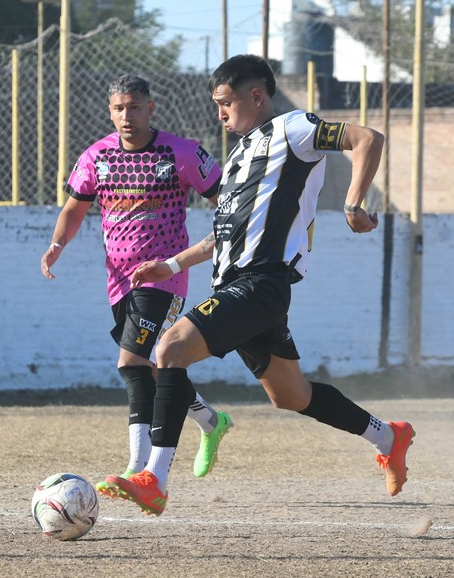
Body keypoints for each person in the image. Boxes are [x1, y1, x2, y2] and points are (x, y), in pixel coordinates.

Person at [108, 54, 415, 516]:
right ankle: (389, 436)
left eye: (225, 103)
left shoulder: (292, 128)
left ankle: (155, 478)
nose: (220, 114)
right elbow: (226, 234)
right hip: (239, 287)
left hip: (261, 284)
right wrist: (170, 265)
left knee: (168, 350)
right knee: (290, 396)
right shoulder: (237, 160)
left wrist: (353, 204)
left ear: (256, 96)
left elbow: (367, 138)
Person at [40, 73, 233, 501]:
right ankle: (208, 421)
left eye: (135, 107)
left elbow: (228, 201)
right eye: (119, 108)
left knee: (130, 363)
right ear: (110, 112)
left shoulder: (182, 153)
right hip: (118, 282)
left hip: (164, 279)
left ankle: (138, 466)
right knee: (153, 367)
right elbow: (74, 209)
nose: (127, 116)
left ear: (151, 108)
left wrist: (204, 250)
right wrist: (57, 244)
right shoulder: (95, 157)